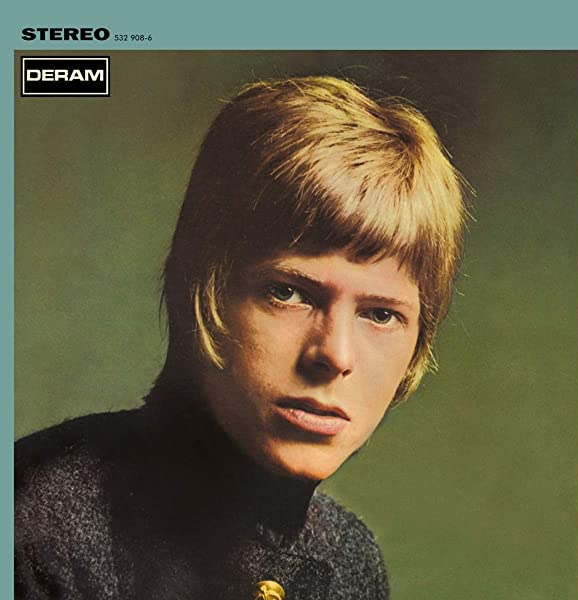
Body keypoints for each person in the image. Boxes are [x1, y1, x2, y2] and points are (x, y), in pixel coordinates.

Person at [15, 76, 465, 599]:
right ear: (199, 287)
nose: (334, 354)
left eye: (381, 315)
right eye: (287, 293)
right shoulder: (37, 529)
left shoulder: (349, 560)